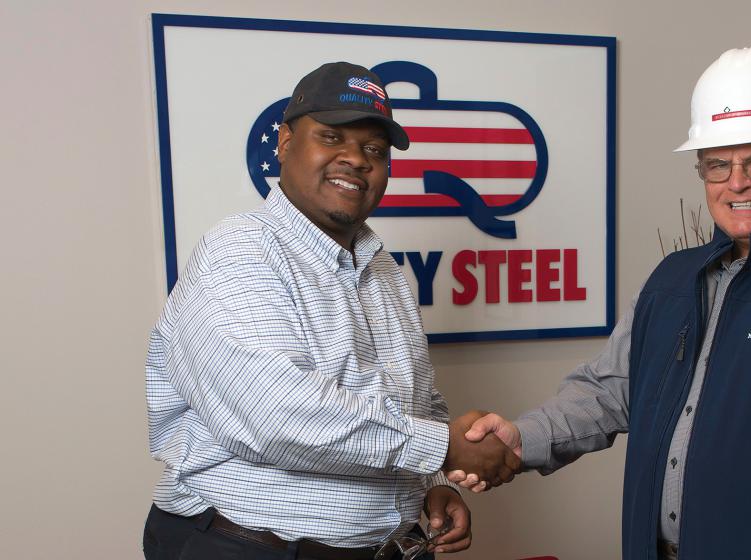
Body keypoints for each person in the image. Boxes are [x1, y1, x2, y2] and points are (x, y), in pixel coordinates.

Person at [449, 46, 751, 560]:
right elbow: (612, 391)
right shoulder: (672, 280)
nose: (738, 182)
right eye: (718, 165)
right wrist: (521, 438)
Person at [143, 61, 520, 560]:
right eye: (332, 137)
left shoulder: (382, 268)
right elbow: (277, 416)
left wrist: (429, 483)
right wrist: (443, 448)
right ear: (284, 143)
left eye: (373, 150)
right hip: (246, 546)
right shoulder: (241, 250)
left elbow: (416, 402)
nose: (356, 159)